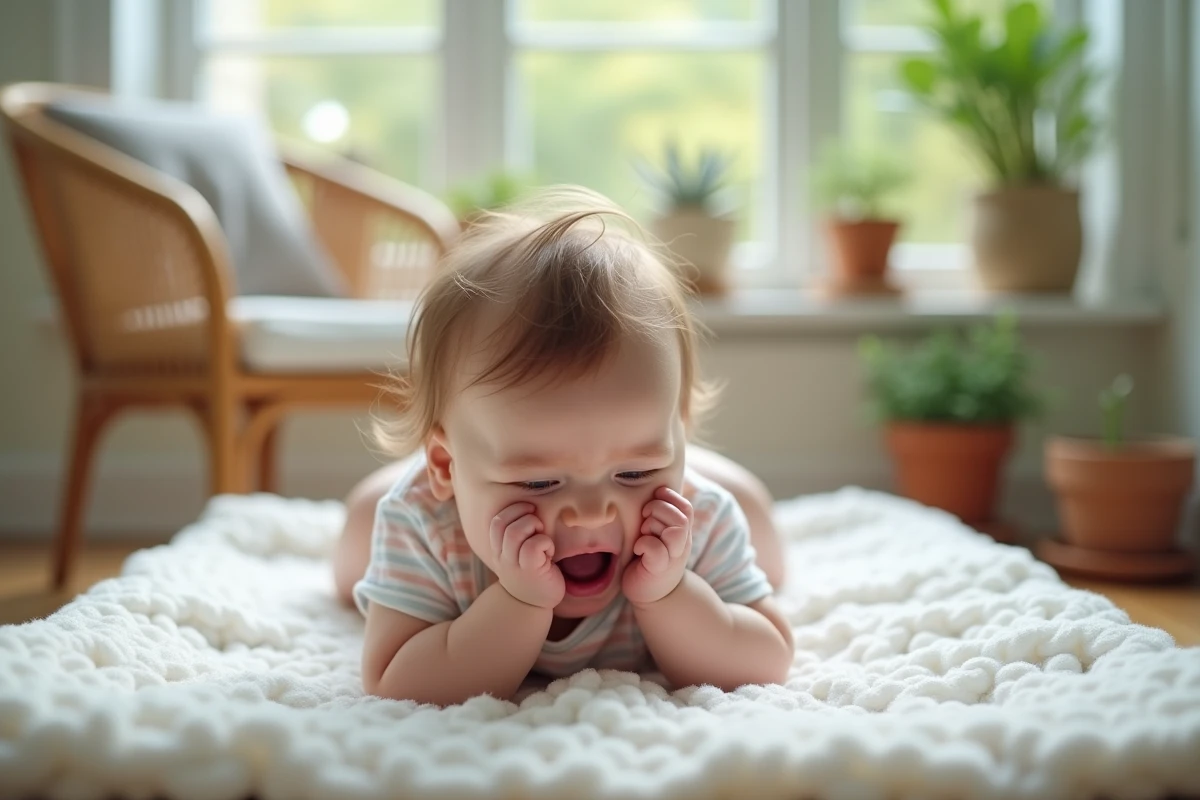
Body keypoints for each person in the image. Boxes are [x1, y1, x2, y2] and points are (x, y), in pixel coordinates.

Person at [333, 188, 793, 706]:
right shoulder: (423, 523)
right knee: (358, 535)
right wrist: (517, 603)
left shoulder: (694, 517)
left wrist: (669, 596)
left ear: (679, 432)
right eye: (538, 482)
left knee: (756, 520)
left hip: (689, 479)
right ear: (445, 463)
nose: (590, 512)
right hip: (435, 500)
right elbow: (395, 681)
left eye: (636, 471)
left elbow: (768, 659)